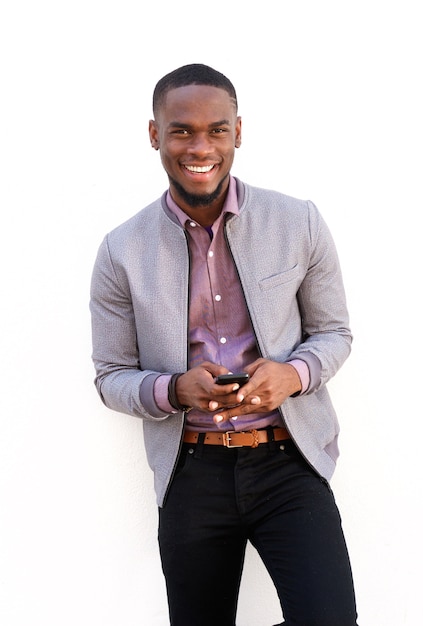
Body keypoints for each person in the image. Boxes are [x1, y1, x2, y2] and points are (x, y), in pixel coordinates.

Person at [90, 63, 359, 626]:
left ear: (238, 132)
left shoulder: (299, 221)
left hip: (289, 461)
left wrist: (293, 374)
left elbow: (334, 333)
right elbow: (111, 376)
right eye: (181, 130)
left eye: (216, 129)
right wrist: (173, 389)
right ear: (154, 135)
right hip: (192, 472)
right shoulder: (121, 251)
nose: (199, 146)